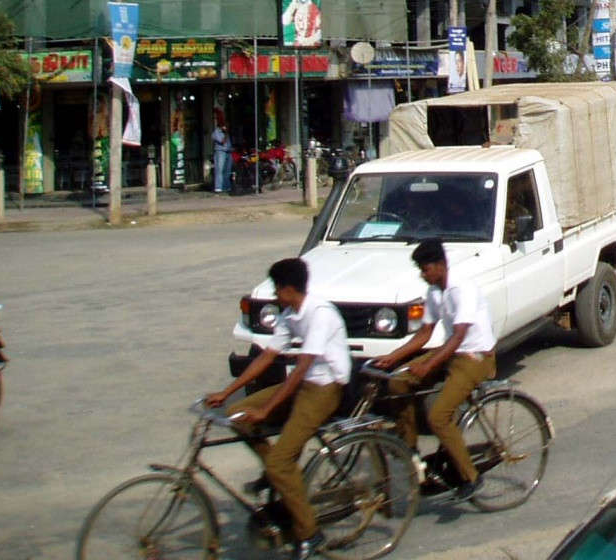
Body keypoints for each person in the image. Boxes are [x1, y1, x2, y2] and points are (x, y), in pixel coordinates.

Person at [206, 257, 350, 559]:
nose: (274, 295)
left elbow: (302, 367)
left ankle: (309, 533)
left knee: (279, 463)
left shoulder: (320, 314)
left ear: (289, 289)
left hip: (325, 389)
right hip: (303, 384)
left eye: (276, 289)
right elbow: (267, 356)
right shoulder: (289, 314)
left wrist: (267, 408)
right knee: (237, 416)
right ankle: (280, 474)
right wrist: (226, 393)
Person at [373, 238, 499, 502]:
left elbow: (459, 336)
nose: (423, 274)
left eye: (426, 269)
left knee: (438, 417)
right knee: (397, 382)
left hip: (475, 356)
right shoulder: (433, 292)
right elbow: (425, 333)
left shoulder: (462, 289)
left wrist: (428, 365)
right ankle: (410, 450)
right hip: (451, 352)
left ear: (441, 264)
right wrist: (392, 358)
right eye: (420, 270)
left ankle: (471, 477)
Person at [212, 111, 233, 194]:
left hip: (228, 152)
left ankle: (226, 186)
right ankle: (218, 187)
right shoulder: (216, 132)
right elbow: (222, 141)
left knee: (227, 170)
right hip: (220, 152)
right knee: (219, 169)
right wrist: (226, 132)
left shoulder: (226, 132)